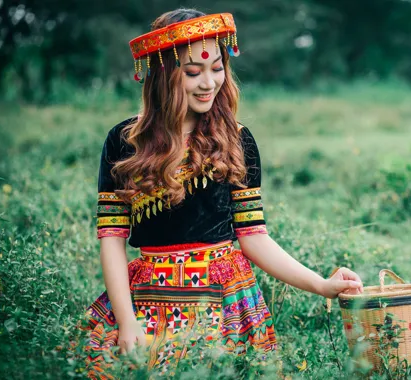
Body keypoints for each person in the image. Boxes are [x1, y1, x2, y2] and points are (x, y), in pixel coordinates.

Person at [79, 8, 363, 378]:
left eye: (217, 68)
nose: (209, 83)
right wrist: (126, 319)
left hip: (225, 298)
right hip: (149, 297)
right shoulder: (124, 142)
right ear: (163, 76)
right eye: (193, 72)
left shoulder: (235, 140)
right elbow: (112, 239)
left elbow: (254, 237)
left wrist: (322, 285)